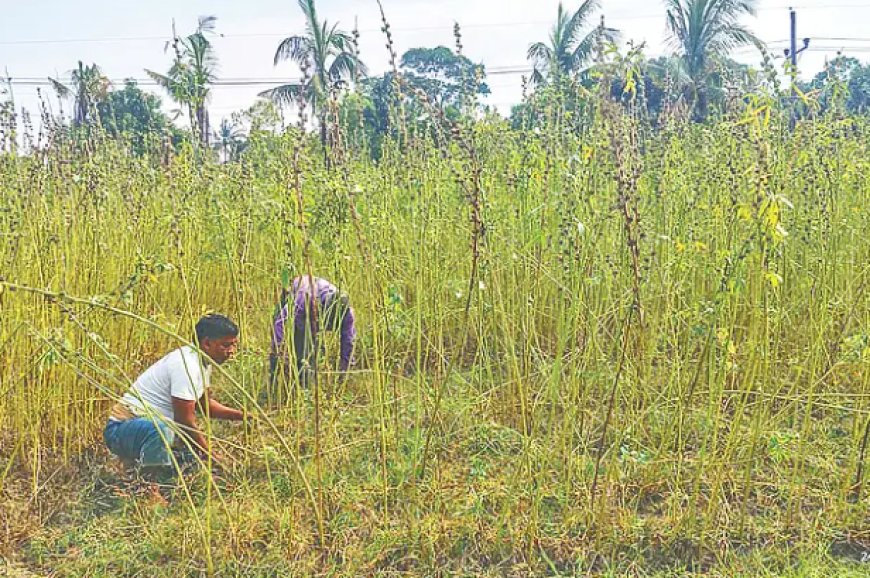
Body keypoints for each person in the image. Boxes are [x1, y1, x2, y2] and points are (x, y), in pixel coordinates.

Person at [103, 314, 247, 474]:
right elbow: (184, 420)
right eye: (226, 345)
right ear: (206, 343)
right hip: (122, 429)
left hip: (146, 428)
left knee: (187, 461)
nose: (231, 351)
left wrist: (242, 416)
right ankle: (150, 489)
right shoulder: (187, 365)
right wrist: (210, 455)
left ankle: (138, 469)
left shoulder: (203, 361)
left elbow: (203, 404)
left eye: (234, 345)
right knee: (163, 430)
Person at [270, 275, 356, 389]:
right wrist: (280, 352)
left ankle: (304, 386)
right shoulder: (305, 298)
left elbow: (348, 342)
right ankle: (274, 385)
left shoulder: (347, 314)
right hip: (297, 300)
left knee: (309, 357)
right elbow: (280, 323)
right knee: (294, 352)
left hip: (312, 318)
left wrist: (344, 371)